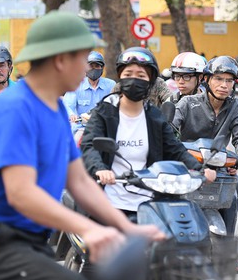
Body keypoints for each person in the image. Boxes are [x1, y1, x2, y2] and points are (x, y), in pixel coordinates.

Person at [0, 11, 164, 280]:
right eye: (82, 59)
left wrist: (125, 227)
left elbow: (79, 181)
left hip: (27, 241)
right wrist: (89, 229)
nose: (87, 68)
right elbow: (21, 193)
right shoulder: (15, 108)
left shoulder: (56, 110)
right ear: (60, 60)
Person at [81, 47, 216, 216]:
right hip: (108, 203)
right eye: (128, 74)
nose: (134, 80)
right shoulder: (105, 111)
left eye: (141, 76)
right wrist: (100, 168)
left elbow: (174, 149)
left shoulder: (154, 117)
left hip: (150, 203)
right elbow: (89, 145)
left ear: (151, 81)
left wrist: (200, 169)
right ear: (120, 77)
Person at [172, 55, 238, 273]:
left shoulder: (236, 106)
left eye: (229, 81)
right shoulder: (187, 103)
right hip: (188, 164)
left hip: (219, 165)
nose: (224, 85)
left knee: (236, 188)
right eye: (219, 79)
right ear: (207, 80)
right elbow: (170, 130)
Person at [64, 51, 116, 130]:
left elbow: (116, 106)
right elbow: (67, 105)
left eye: (97, 66)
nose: (93, 69)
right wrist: (71, 115)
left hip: (104, 128)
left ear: (102, 68)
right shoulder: (77, 84)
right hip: (82, 128)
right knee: (75, 140)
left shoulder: (111, 85)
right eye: (91, 66)